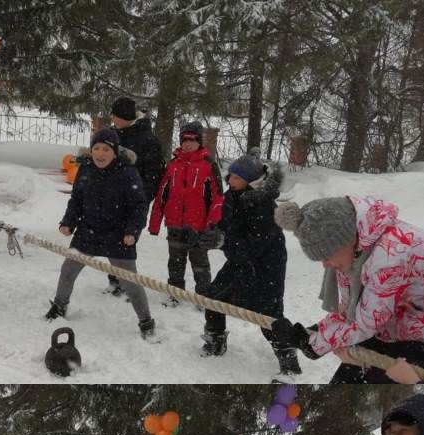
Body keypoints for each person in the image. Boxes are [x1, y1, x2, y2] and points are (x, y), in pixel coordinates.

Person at [271, 196, 424, 382]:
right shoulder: (356, 252)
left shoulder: (391, 255)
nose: (325, 265)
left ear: (347, 240)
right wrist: (315, 331)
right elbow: (351, 310)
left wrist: (314, 345)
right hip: (396, 322)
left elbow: (366, 323)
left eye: (327, 255)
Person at [45, 128, 155, 340]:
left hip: (119, 235)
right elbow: (76, 200)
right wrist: (68, 222)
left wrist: (132, 231)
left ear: (114, 152)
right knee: (68, 270)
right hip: (88, 232)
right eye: (96, 148)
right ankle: (59, 306)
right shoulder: (85, 170)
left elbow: (139, 206)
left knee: (130, 282)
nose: (100, 153)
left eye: (106, 149)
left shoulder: (127, 172)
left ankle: (146, 320)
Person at [200, 156, 299, 376]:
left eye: (237, 177)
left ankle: (287, 357)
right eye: (231, 176)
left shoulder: (264, 204)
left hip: (266, 266)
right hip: (239, 260)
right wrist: (216, 232)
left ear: (251, 181)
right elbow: (229, 225)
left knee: (269, 315)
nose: (231, 180)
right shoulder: (231, 197)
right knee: (214, 296)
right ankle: (214, 340)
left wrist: (225, 241)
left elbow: (257, 243)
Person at [148, 122, 223, 307]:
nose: (187, 144)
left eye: (192, 140)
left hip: (198, 226)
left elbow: (218, 199)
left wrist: (212, 224)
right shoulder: (173, 164)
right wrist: (155, 223)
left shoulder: (208, 166)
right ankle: (175, 294)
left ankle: (203, 298)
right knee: (175, 263)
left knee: (200, 264)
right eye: (184, 140)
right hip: (174, 224)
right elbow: (161, 195)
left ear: (199, 142)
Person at [106, 96, 164, 296]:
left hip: (134, 200)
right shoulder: (113, 134)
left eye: (115, 115)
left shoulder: (147, 139)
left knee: (127, 242)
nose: (112, 118)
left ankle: (128, 283)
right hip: (111, 198)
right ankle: (114, 279)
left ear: (125, 117)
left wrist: (141, 198)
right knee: (111, 239)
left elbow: (154, 174)